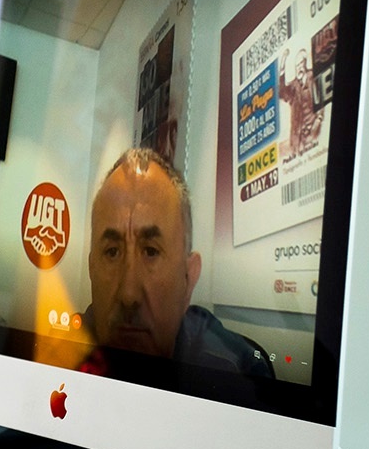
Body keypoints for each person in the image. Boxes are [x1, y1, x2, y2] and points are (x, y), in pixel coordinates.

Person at [78, 147, 272, 378]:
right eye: (111, 252)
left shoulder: (238, 373)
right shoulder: (61, 358)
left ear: (188, 278)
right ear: (91, 269)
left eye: (151, 251)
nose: (128, 295)